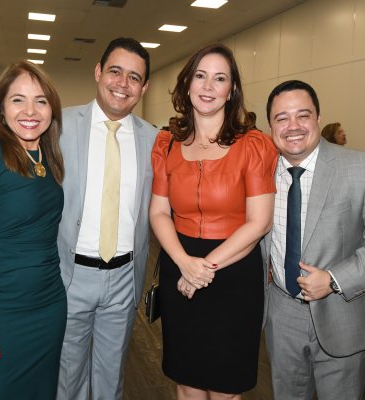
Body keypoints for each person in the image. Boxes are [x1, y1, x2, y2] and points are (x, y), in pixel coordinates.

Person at [150, 43, 278, 400]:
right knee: (186, 380)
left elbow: (259, 222)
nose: (208, 87)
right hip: (180, 264)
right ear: (187, 83)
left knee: (226, 387)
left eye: (219, 78)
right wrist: (184, 264)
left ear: (231, 90)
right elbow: (159, 212)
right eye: (200, 76)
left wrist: (203, 268)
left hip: (233, 272)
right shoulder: (167, 145)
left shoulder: (254, 145)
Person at [56, 37, 158, 400]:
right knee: (67, 379)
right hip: (70, 277)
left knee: (110, 378)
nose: (122, 83)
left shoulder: (155, 141)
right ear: (98, 72)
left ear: (143, 88)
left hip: (124, 279)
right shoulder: (60, 126)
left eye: (134, 77)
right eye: (115, 71)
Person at [0, 60, 66, 399]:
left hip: (48, 308)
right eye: (17, 99)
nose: (30, 110)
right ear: (0, 108)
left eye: (41, 100)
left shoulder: (47, 158)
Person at [263, 80, 365, 400]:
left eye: (303, 115)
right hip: (281, 315)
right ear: (271, 126)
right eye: (282, 118)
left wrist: (334, 279)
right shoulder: (260, 173)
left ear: (319, 118)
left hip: (342, 314)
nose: (292, 126)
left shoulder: (358, 167)